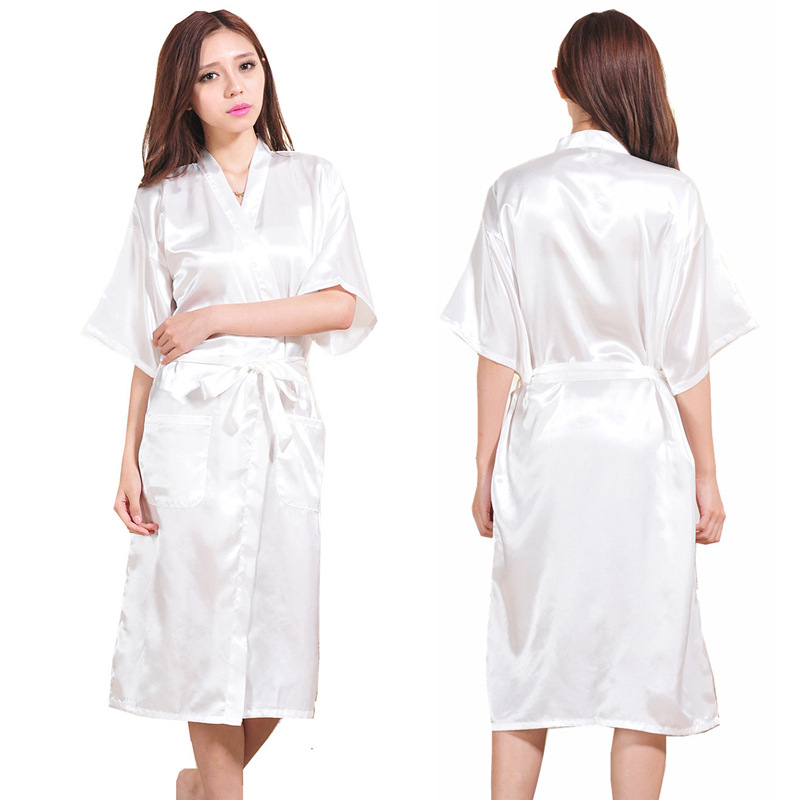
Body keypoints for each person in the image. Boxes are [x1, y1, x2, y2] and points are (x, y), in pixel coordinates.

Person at [441, 10, 757, 800]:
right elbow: (685, 354)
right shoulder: (672, 196)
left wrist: (483, 466)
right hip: (640, 442)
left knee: (527, 654)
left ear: (560, 84)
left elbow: (497, 346)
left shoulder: (514, 191)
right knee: (642, 661)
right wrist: (708, 474)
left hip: (544, 441)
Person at [81, 10, 376, 800]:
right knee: (202, 631)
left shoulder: (314, 180)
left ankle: (199, 786)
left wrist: (216, 317)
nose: (234, 87)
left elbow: (339, 304)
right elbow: (148, 341)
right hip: (191, 427)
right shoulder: (162, 199)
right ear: (185, 95)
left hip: (281, 421)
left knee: (282, 632)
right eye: (210, 76)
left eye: (246, 66)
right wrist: (127, 459)